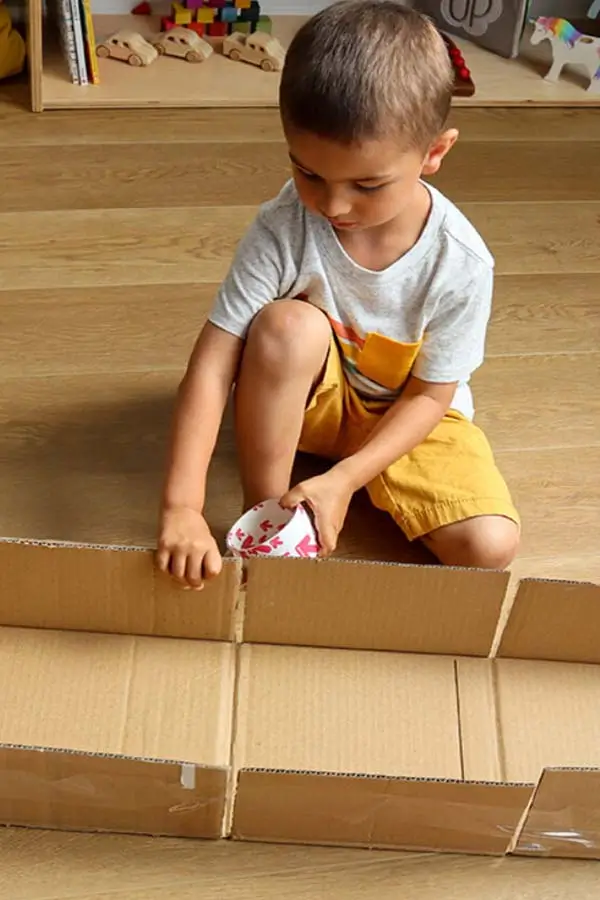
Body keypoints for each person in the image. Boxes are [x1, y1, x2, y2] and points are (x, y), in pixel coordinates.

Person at [157, 0, 520, 590]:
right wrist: (181, 507)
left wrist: (347, 479)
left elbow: (430, 397)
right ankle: (269, 518)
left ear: (435, 152)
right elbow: (212, 363)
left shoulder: (461, 262)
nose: (333, 205)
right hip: (315, 400)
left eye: (368, 184)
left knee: (490, 547)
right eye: (308, 173)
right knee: (285, 326)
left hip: (408, 417)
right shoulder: (284, 224)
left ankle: (337, 482)